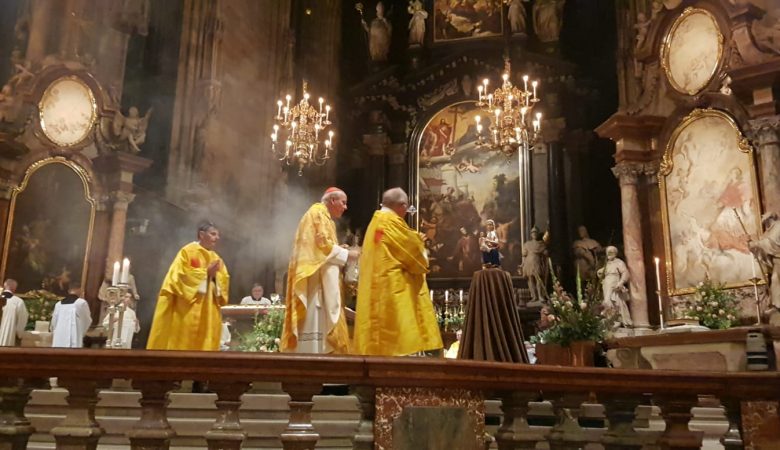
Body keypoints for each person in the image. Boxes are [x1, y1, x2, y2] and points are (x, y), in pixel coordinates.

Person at [353, 188, 443, 356]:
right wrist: (419, 243)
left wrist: (413, 238)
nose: (407, 213)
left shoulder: (376, 221)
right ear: (402, 205)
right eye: (407, 208)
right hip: (392, 291)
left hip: (377, 288)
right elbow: (412, 253)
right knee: (395, 344)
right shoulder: (390, 222)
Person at [281, 188, 359, 354]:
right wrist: (347, 254)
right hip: (315, 284)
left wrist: (339, 249)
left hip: (320, 281)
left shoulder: (325, 217)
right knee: (316, 329)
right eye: (343, 202)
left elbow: (323, 245)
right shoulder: (317, 214)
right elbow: (321, 246)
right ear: (332, 200)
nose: (345, 207)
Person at [147, 221, 230, 351]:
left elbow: (224, 280)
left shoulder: (216, 258)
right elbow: (178, 276)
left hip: (208, 310)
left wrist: (213, 277)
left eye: (218, 235)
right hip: (187, 309)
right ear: (201, 234)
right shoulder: (187, 251)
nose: (217, 238)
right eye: (213, 234)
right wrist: (204, 273)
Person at [750, 212, 780, 309]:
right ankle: (776, 305)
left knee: (775, 280)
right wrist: (752, 243)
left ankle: (777, 305)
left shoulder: (778, 227)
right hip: (776, 260)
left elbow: (771, 244)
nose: (765, 224)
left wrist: (756, 244)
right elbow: (763, 241)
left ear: (770, 219)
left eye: (765, 221)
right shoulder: (770, 230)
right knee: (775, 280)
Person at [598, 246, 633, 327]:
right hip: (606, 283)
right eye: (608, 253)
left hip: (614, 282)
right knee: (606, 301)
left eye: (611, 252)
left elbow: (625, 273)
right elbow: (602, 272)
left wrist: (621, 282)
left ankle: (617, 319)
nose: (609, 254)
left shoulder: (619, 262)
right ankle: (611, 318)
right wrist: (600, 272)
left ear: (615, 253)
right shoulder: (607, 263)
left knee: (614, 301)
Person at [51, 283, 92, 348]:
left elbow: (54, 323)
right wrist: (81, 333)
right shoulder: (81, 303)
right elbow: (87, 320)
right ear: (80, 290)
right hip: (73, 338)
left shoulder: (58, 304)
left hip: (58, 339)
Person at [521, 227, 548, 304]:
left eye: (536, 233)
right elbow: (524, 255)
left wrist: (546, 251)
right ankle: (534, 296)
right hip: (528, 262)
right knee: (531, 280)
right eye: (533, 233)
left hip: (537, 261)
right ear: (531, 234)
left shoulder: (541, 244)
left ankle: (540, 296)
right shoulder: (527, 244)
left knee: (538, 279)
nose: (534, 234)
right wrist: (522, 264)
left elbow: (545, 253)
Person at [0, 279, 28, 346]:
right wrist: (19, 333)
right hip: (6, 337)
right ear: (15, 288)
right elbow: (22, 319)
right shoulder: (18, 302)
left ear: (4, 286)